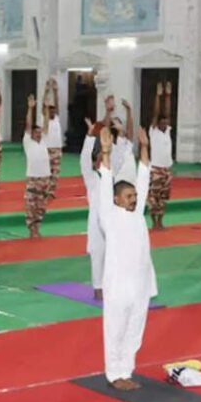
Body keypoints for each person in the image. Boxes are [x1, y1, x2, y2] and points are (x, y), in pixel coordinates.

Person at [97, 122, 156, 390]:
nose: (134, 199)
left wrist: (144, 148)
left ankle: (127, 370)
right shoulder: (109, 216)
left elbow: (144, 177)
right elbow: (104, 182)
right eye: (129, 196)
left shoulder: (137, 214)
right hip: (118, 284)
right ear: (117, 199)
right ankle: (114, 374)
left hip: (140, 284)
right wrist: (106, 153)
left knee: (134, 330)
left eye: (134, 196)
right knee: (116, 330)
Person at [81, 118, 106, 301]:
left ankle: (110, 285)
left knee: (112, 256)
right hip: (96, 223)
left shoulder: (110, 176)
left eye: (104, 158)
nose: (102, 160)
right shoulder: (91, 178)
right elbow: (84, 157)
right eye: (99, 158)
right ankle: (98, 288)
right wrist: (90, 136)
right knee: (98, 254)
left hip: (112, 221)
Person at [23, 95, 51, 238]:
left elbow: (46, 124)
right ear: (32, 133)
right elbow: (28, 124)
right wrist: (30, 108)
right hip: (33, 178)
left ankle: (37, 227)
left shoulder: (44, 141)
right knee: (31, 205)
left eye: (40, 132)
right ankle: (31, 228)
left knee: (41, 206)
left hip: (45, 178)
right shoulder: (28, 142)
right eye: (37, 132)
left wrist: (46, 108)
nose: (39, 134)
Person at [148, 82, 174, 230]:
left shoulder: (168, 131)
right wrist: (158, 96)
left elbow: (168, 112)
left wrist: (168, 96)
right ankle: (154, 222)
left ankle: (161, 221)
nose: (165, 124)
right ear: (157, 124)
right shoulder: (154, 131)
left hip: (167, 170)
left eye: (166, 122)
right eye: (162, 122)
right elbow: (156, 113)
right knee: (154, 198)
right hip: (156, 170)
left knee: (164, 198)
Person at [42, 78, 63, 201]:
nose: (53, 112)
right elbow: (43, 106)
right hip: (47, 149)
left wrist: (55, 91)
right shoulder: (44, 120)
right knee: (46, 172)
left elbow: (57, 103)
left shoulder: (57, 119)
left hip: (57, 149)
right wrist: (46, 91)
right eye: (50, 110)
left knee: (55, 172)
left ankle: (51, 191)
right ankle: (45, 190)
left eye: (54, 110)